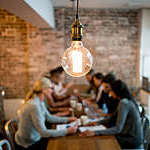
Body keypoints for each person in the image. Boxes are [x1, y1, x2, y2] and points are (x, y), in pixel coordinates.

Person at [15, 78, 77, 150]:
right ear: (43, 90)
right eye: (51, 88)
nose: (52, 91)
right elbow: (43, 132)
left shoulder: (39, 101)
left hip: (35, 138)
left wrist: (68, 119)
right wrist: (67, 131)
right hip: (29, 144)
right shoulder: (34, 106)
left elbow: (49, 118)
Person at [80, 80, 144, 149]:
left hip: (131, 141)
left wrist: (95, 132)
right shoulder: (126, 100)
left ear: (116, 91)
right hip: (129, 138)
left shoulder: (124, 103)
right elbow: (113, 118)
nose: (110, 93)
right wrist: (96, 123)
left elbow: (118, 129)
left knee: (100, 144)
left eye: (111, 90)